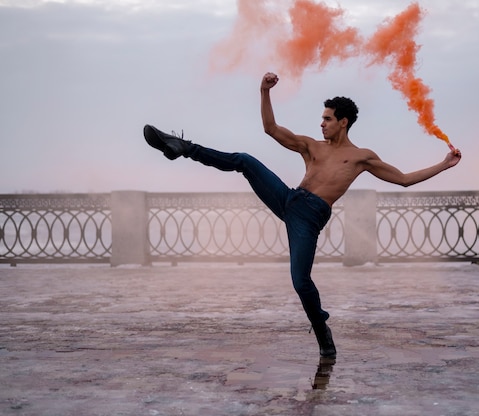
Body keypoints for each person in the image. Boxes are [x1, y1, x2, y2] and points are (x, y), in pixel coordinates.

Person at [143, 72, 462, 360]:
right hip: (289, 199)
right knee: (244, 160)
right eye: (321, 118)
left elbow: (404, 179)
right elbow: (270, 129)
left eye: (327, 119)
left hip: (308, 220)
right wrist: (264, 91)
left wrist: (443, 164)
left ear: (344, 122)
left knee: (301, 281)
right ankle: (182, 147)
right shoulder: (311, 146)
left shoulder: (361, 158)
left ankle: (322, 330)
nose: (321, 124)